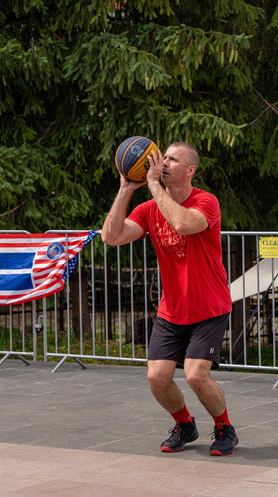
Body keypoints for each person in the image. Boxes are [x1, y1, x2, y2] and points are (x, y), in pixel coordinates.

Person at [101, 141, 237, 456]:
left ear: (190, 170)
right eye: (164, 158)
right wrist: (126, 188)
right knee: (157, 377)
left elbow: (184, 223)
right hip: (172, 310)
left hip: (209, 307)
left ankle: (224, 427)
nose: (163, 163)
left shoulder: (206, 201)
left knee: (194, 374)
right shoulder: (149, 209)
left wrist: (150, 183)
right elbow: (111, 236)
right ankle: (185, 425)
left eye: (172, 159)